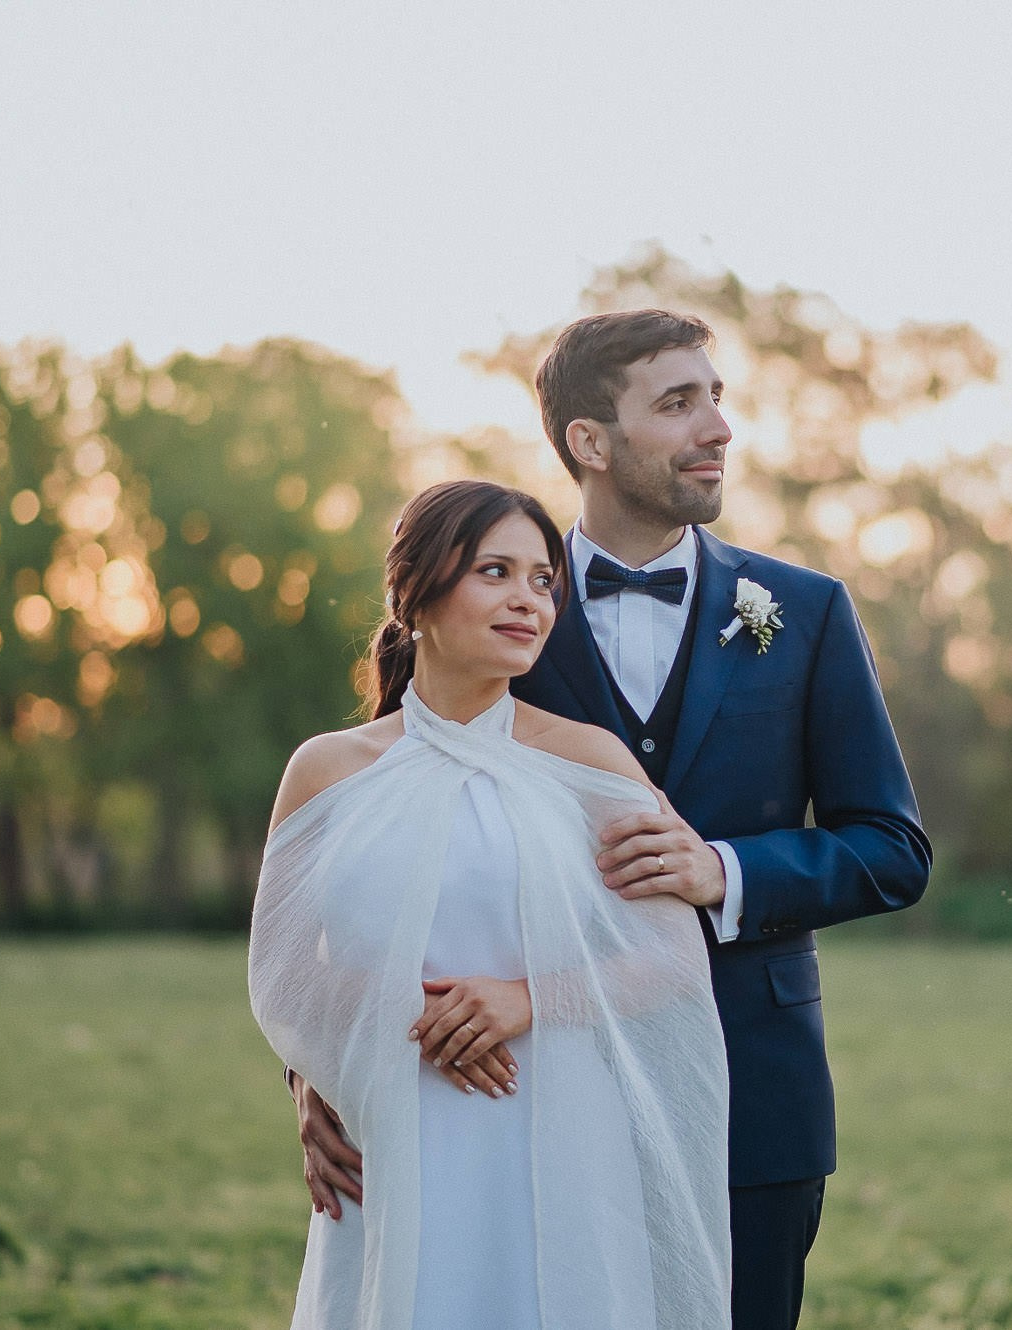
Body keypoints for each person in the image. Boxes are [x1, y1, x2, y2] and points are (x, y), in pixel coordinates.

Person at [293, 310, 933, 1330]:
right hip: (517, 1105)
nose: (717, 426)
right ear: (589, 442)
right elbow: (365, 850)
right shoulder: (497, 610)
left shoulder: (802, 613)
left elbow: (892, 849)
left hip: (749, 1102)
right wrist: (318, 1071)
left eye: (715, 397)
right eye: (678, 402)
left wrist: (720, 868)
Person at [249, 479, 730, 1330]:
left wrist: (524, 999)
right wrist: (317, 1078)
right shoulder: (327, 771)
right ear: (413, 596)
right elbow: (287, 966)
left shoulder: (591, 764)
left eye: (543, 580)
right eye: (495, 572)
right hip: (392, 1126)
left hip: (556, 1119)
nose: (528, 601)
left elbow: (668, 959)